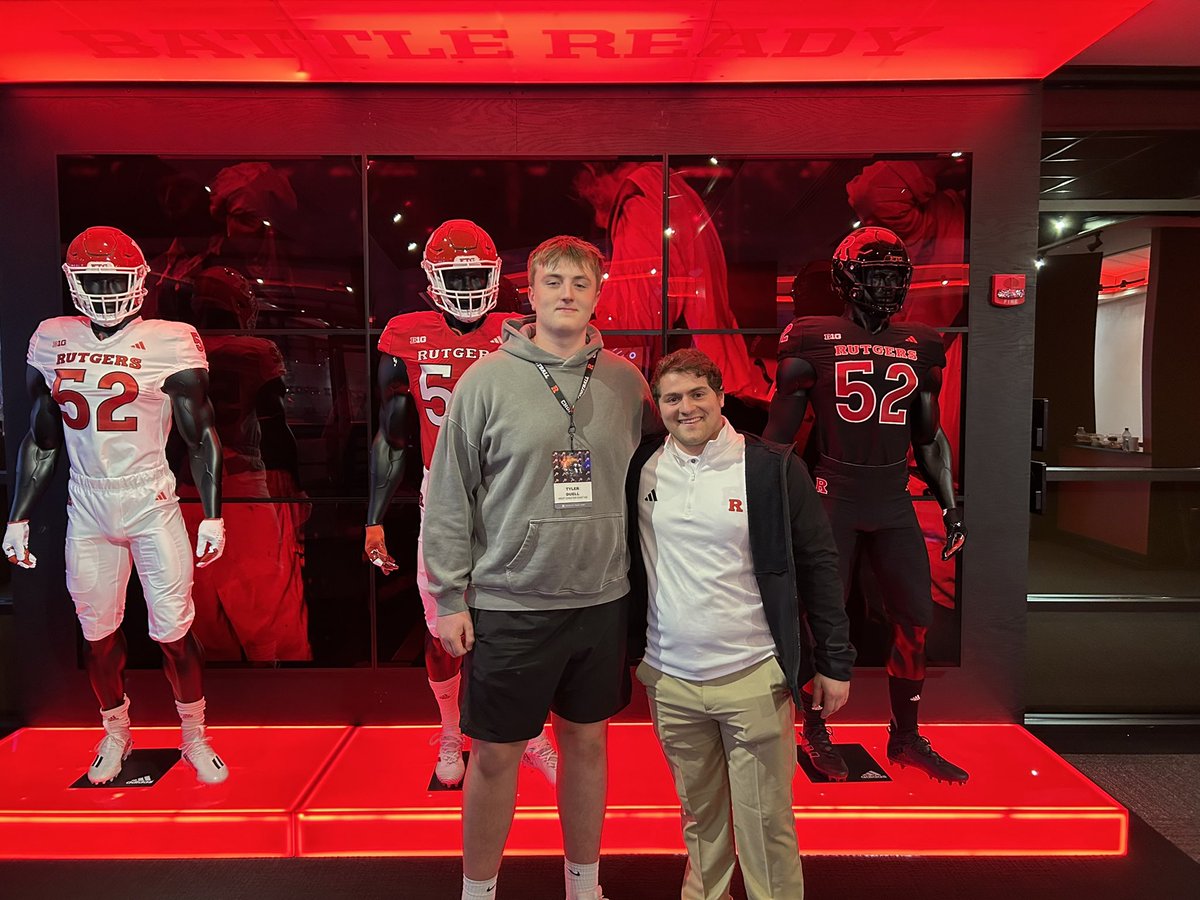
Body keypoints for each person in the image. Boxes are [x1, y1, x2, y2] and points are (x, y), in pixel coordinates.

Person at [423, 235, 656, 900]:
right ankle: (478, 891)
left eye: (581, 284)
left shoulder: (626, 382)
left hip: (600, 601)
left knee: (587, 747)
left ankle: (584, 886)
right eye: (554, 282)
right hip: (510, 603)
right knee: (496, 758)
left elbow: (656, 477)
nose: (567, 294)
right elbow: (449, 495)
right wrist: (449, 596)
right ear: (530, 292)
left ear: (598, 294)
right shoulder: (485, 382)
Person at [3, 226, 229, 785]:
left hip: (150, 500)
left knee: (173, 633)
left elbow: (200, 436)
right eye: (93, 280)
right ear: (73, 282)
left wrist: (213, 513)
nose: (105, 292)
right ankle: (116, 732)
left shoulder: (169, 340)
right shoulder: (52, 337)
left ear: (140, 281)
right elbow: (42, 437)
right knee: (97, 635)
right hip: (87, 504)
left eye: (114, 279)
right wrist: (18, 515)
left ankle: (195, 736)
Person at [626, 348, 854, 900]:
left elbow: (819, 564)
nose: (686, 407)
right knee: (700, 825)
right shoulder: (642, 466)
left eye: (697, 394)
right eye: (672, 398)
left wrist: (834, 661)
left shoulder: (772, 467)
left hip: (753, 676)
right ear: (658, 406)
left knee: (766, 826)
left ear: (721, 396)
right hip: (670, 680)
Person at [763, 226, 969, 784]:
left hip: (893, 496)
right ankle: (815, 728)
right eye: (874, 274)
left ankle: (905, 736)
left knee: (916, 619)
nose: (884, 286)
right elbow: (778, 440)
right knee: (821, 619)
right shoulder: (812, 338)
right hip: (834, 494)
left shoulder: (920, 343)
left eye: (893, 276)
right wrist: (765, 504)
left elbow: (928, 437)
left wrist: (950, 505)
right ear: (845, 280)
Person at [363, 219, 556, 786]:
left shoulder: (521, 331)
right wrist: (374, 520)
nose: (468, 286)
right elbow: (392, 435)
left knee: (520, 622)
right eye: (457, 275)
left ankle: (530, 731)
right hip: (443, 494)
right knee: (441, 625)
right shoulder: (406, 334)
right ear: (431, 278)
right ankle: (451, 729)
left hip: (513, 494)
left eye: (476, 275)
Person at [180, 266, 311, 662]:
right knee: (265, 606)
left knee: (203, 611)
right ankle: (271, 686)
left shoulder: (176, 347)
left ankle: (223, 691)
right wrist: (294, 485)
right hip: (243, 486)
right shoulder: (255, 352)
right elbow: (274, 425)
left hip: (187, 489)